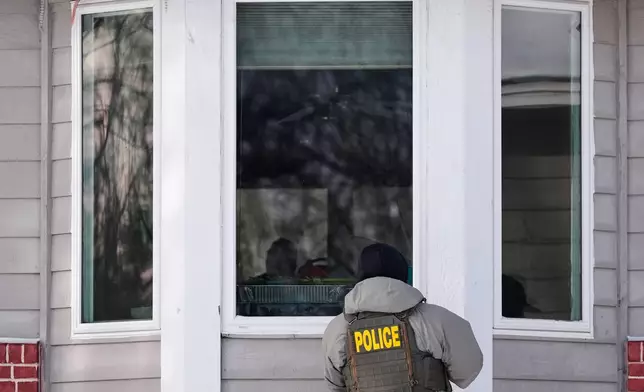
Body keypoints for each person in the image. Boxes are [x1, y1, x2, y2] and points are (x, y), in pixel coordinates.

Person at [322, 243, 483, 391]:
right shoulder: (438, 320)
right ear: (403, 274)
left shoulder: (337, 329)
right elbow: (467, 371)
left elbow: (335, 386)